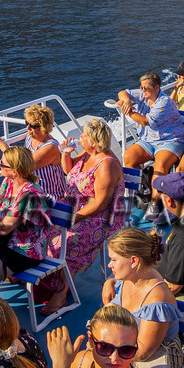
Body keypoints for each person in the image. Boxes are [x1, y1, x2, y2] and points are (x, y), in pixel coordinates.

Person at [48, 119, 127, 308]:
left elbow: (100, 203)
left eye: (84, 135)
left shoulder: (106, 165)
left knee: (71, 238)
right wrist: (66, 153)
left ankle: (62, 291)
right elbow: (69, 170)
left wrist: (74, 218)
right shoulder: (86, 154)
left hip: (103, 215)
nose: (80, 136)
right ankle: (49, 277)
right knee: (45, 227)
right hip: (75, 206)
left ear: (93, 141)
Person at [102, 228, 184, 368]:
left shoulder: (157, 299)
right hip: (122, 351)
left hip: (155, 361)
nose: (110, 265)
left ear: (133, 261)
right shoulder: (128, 278)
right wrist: (108, 282)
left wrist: (104, 351)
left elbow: (143, 352)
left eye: (113, 260)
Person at [0, 144, 56, 276]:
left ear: (15, 171)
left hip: (24, 250)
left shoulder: (29, 195)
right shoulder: (8, 182)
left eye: (2, 164)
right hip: (4, 240)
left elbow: (4, 228)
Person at [0, 103, 69, 204]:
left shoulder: (51, 147)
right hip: (34, 193)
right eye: (27, 123)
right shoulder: (30, 137)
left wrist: (1, 145)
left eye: (32, 126)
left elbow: (23, 164)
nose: (28, 128)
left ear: (43, 127)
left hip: (51, 199)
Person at [118, 72, 184, 171]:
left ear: (157, 88)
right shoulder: (143, 94)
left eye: (146, 88)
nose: (143, 90)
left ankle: (156, 184)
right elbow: (122, 93)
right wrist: (127, 101)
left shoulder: (164, 102)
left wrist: (128, 111)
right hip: (148, 140)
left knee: (160, 167)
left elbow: (146, 121)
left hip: (169, 141)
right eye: (141, 87)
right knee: (128, 158)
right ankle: (144, 183)